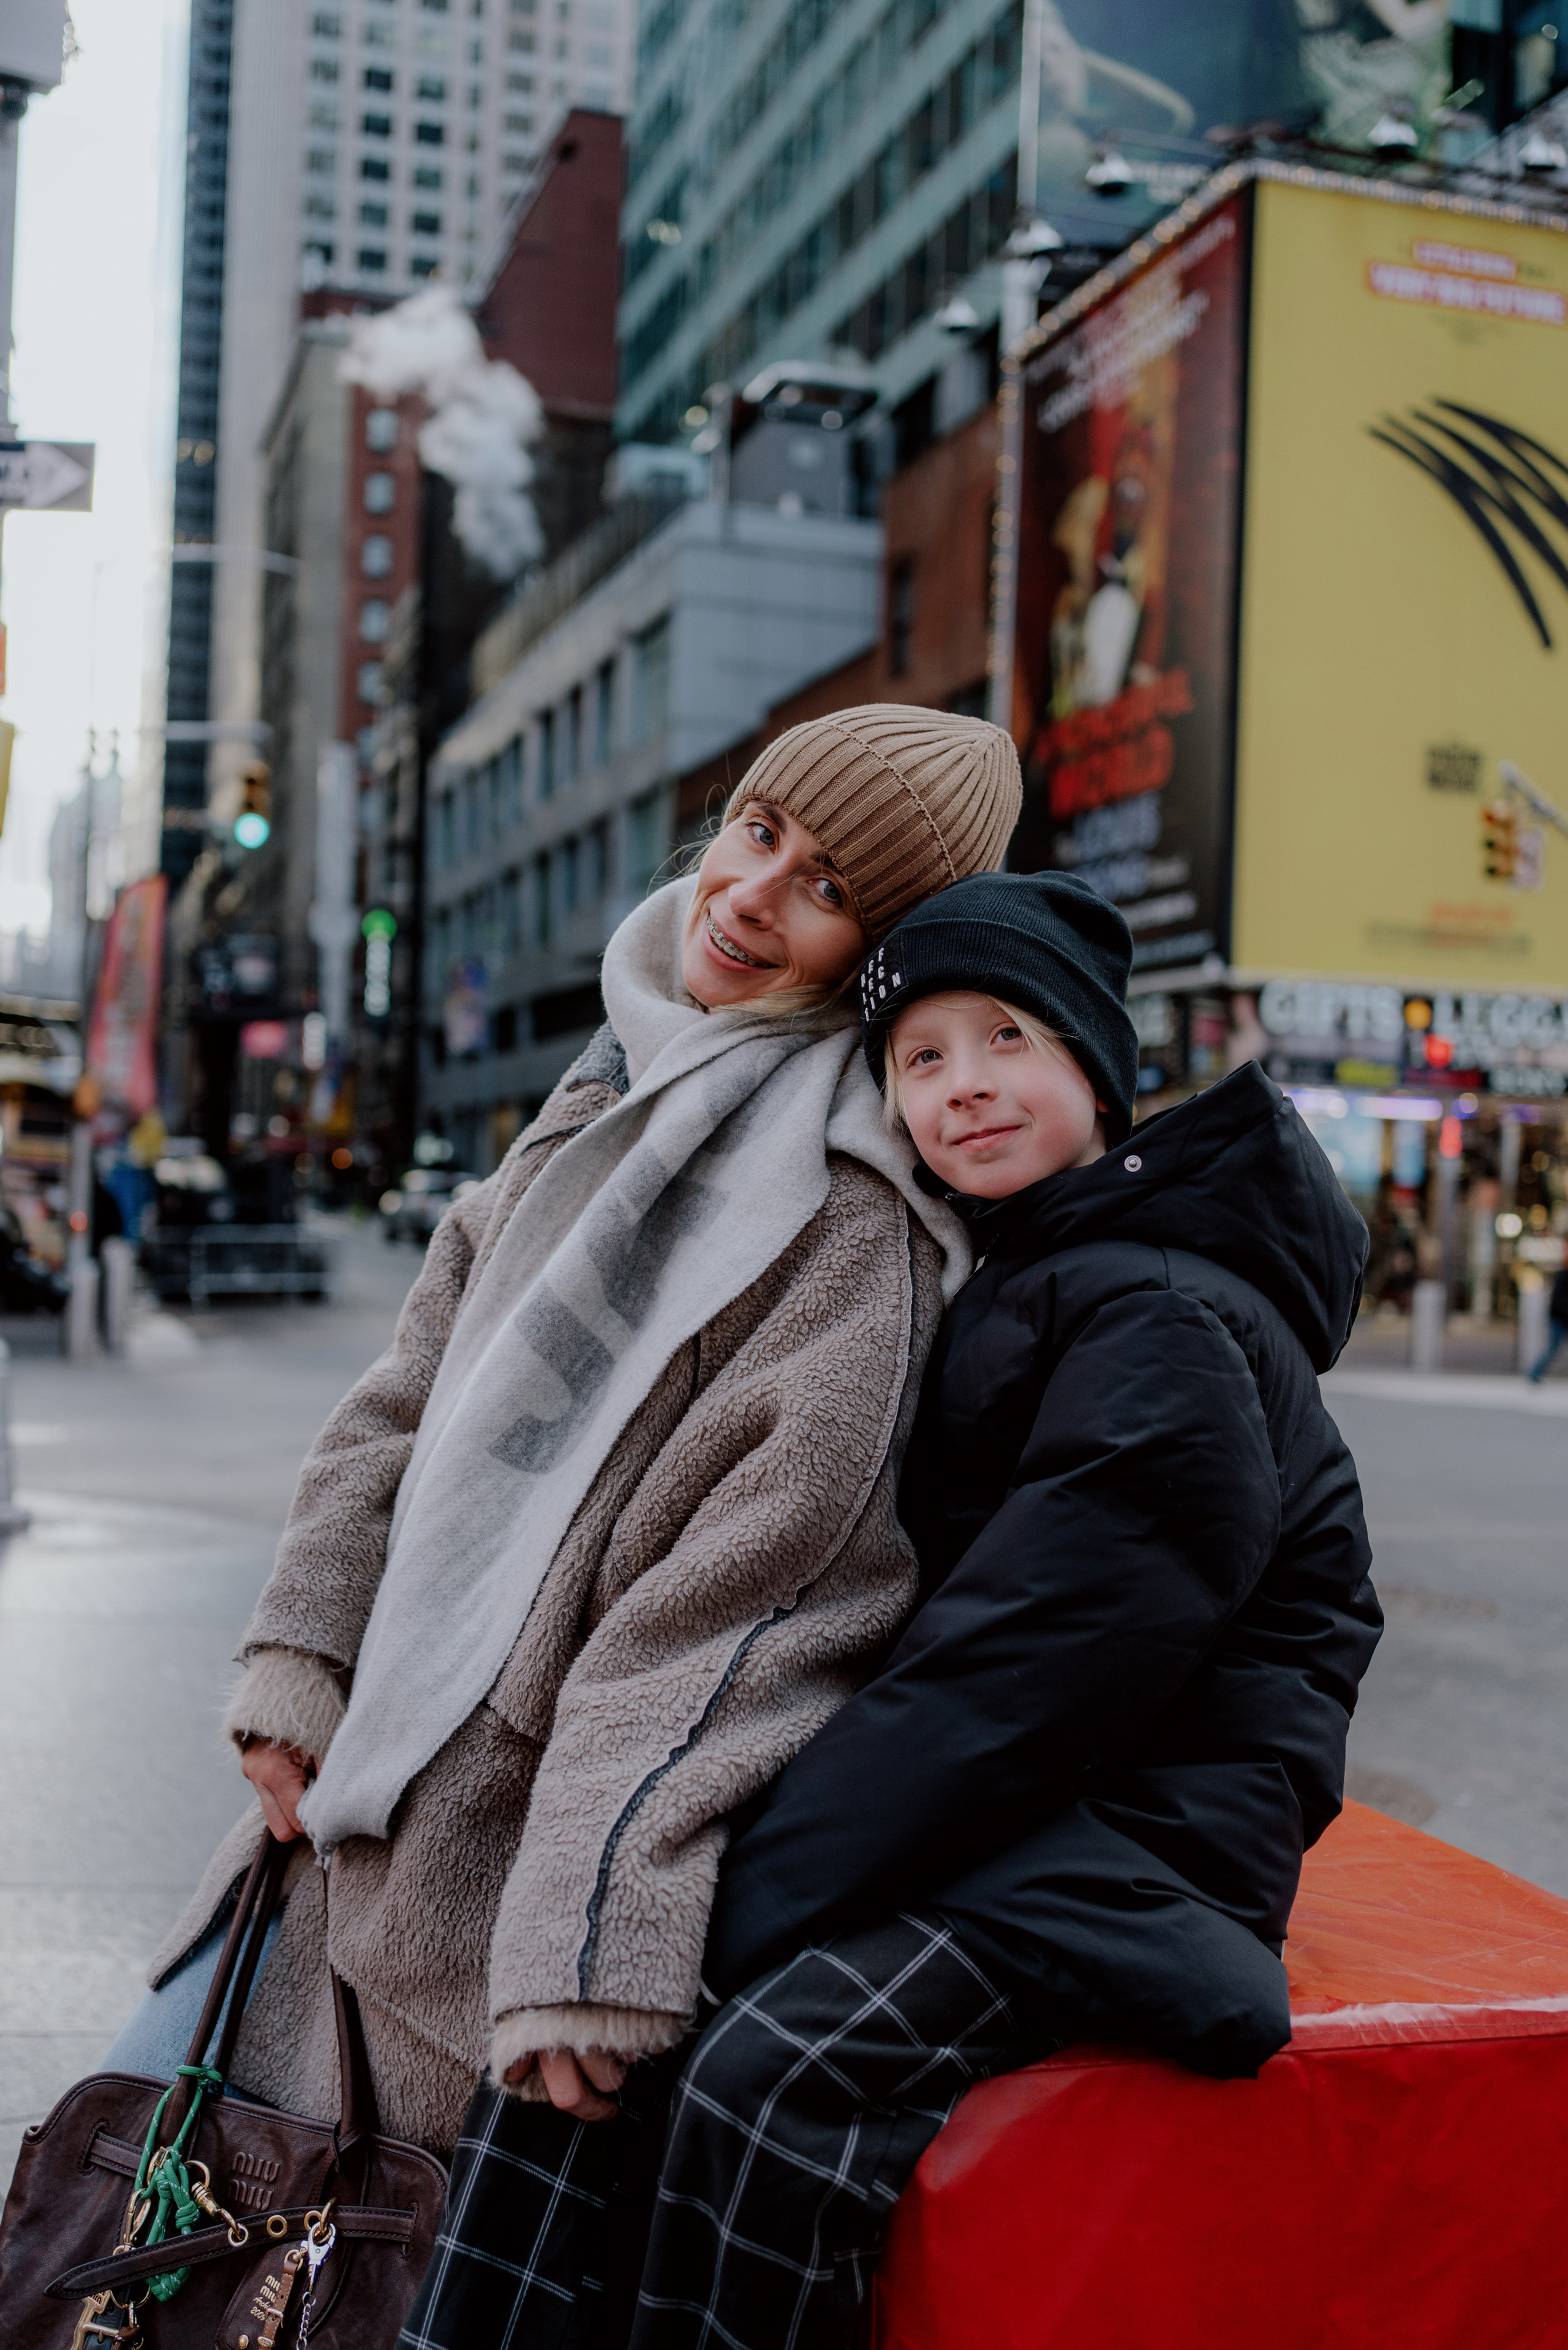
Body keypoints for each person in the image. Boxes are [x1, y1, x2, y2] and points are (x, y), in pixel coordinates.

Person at [103, 706, 1021, 2182]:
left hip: (482, 1906)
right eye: (759, 830)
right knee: (110, 2222)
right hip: (312, 1830)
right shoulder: (609, 1082)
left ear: (883, 949)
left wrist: (591, 1932)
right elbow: (406, 1389)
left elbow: (759, 1601)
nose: (750, 893)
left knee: (307, 2275)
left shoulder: (856, 1219)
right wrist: (299, 1656)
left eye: (831, 888)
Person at [603, 871, 1381, 2350]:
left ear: (1094, 1067)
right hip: (1045, 1817)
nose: (963, 1087)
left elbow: (1031, 1665)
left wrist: (750, 1895)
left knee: (753, 2065)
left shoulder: (1153, 1307)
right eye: (921, 1057)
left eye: (1006, 1037)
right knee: (614, 2000)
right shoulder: (1035, 1273)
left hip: (1134, 1847)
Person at [1527, 1264, 1568, 1381]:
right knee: (1553, 1349)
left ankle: (1534, 1372)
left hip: (1561, 1318)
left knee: (1553, 1349)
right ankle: (1534, 1372)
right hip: (1560, 1319)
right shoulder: (1563, 1277)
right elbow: (1560, 1301)